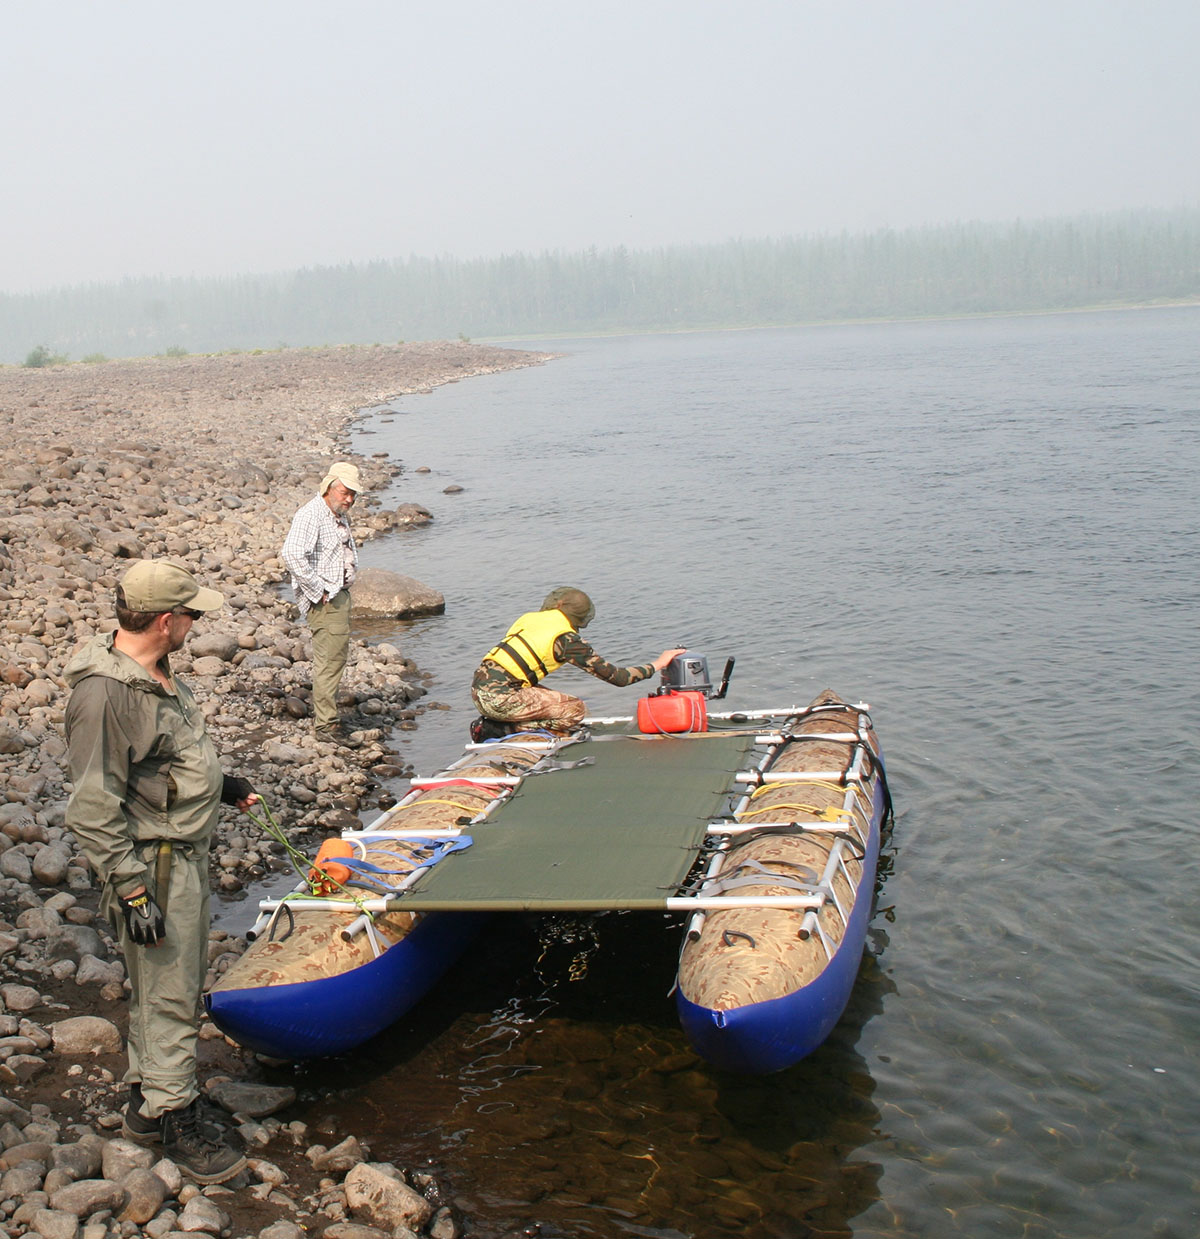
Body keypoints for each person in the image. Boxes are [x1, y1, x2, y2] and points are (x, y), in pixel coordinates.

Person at [63, 560, 257, 1185]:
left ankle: (148, 1103)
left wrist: (223, 787)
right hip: (154, 868)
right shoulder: (104, 694)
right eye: (192, 615)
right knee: (171, 990)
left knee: (161, 984)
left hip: (178, 857)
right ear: (167, 620)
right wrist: (131, 887)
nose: (197, 624)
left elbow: (164, 757)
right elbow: (92, 805)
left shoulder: (153, 670)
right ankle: (175, 1115)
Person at [470, 586, 686, 738]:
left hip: (478, 691)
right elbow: (620, 678)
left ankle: (500, 721)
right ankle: (501, 729)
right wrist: (659, 663)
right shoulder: (567, 639)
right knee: (574, 709)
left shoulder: (529, 619)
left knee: (552, 699)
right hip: (500, 699)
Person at [280, 462, 363, 741]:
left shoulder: (334, 513)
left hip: (337, 595)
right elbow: (291, 554)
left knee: (334, 659)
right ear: (329, 487)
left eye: (354, 494)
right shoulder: (312, 514)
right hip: (327, 600)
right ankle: (326, 726)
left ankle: (327, 720)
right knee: (330, 661)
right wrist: (320, 590)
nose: (349, 498)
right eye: (345, 492)